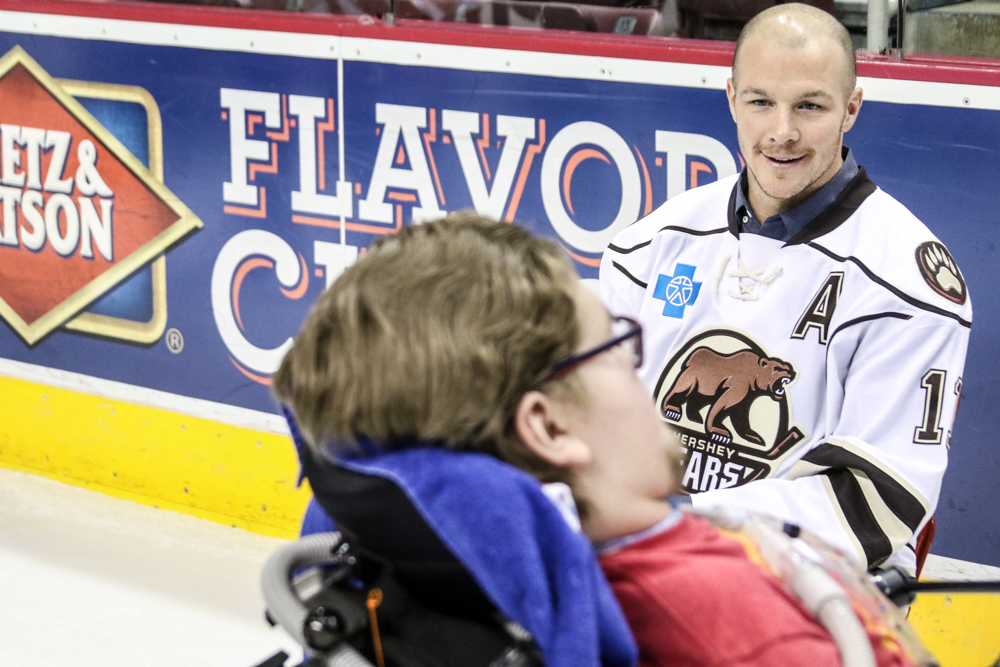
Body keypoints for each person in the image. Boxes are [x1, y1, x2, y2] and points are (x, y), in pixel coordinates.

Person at [274, 213, 924, 667]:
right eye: (615, 348)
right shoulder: (733, 629)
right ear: (551, 427)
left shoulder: (490, 581)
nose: (640, 369)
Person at [600, 3, 971, 572]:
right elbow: (594, 427)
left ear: (851, 109)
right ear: (731, 100)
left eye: (810, 106)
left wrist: (683, 527)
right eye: (760, 102)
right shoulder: (649, 246)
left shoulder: (907, 285)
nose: (782, 132)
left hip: (810, 585)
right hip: (652, 556)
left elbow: (879, 503)